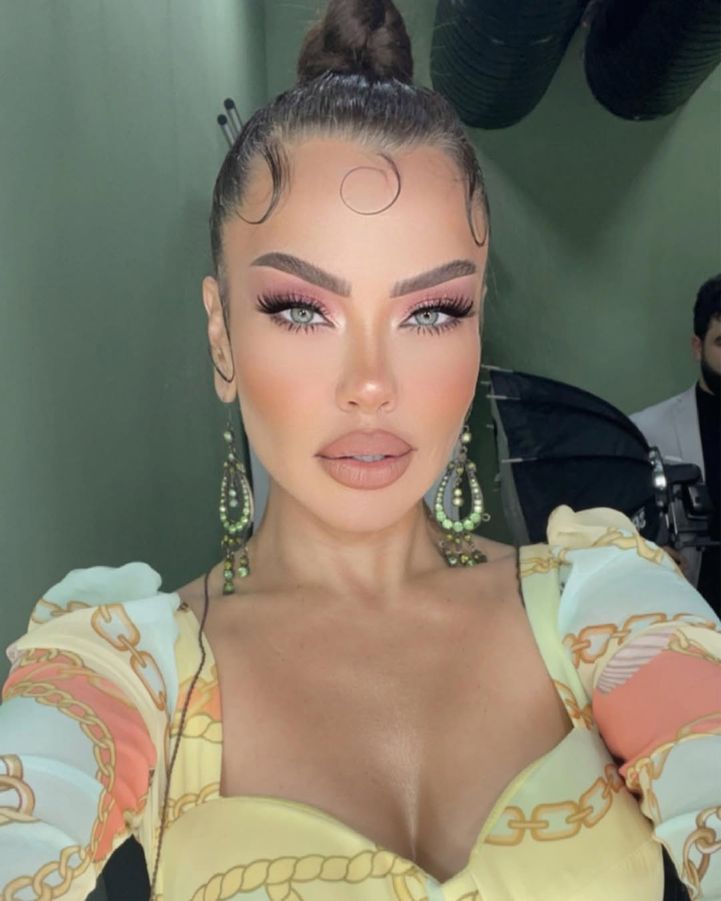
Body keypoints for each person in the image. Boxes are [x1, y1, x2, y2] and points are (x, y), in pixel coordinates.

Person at [2, 2, 720, 899]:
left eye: (432, 312)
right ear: (222, 338)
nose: (371, 383)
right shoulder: (123, 666)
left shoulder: (606, 606)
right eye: (302, 310)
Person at [630, 275, 721, 617]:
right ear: (698, 347)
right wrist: (649, 554)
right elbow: (621, 530)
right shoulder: (647, 430)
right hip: (687, 617)